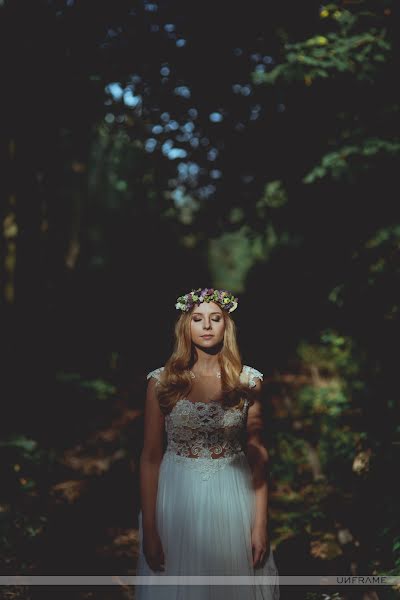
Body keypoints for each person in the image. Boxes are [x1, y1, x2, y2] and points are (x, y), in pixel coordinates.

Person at [135, 287, 280, 599]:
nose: (207, 325)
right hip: (177, 497)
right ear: (185, 326)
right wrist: (149, 528)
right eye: (198, 319)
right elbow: (149, 456)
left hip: (233, 497)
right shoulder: (162, 382)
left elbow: (258, 454)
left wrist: (260, 523)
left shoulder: (247, 381)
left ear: (226, 326)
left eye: (215, 318)